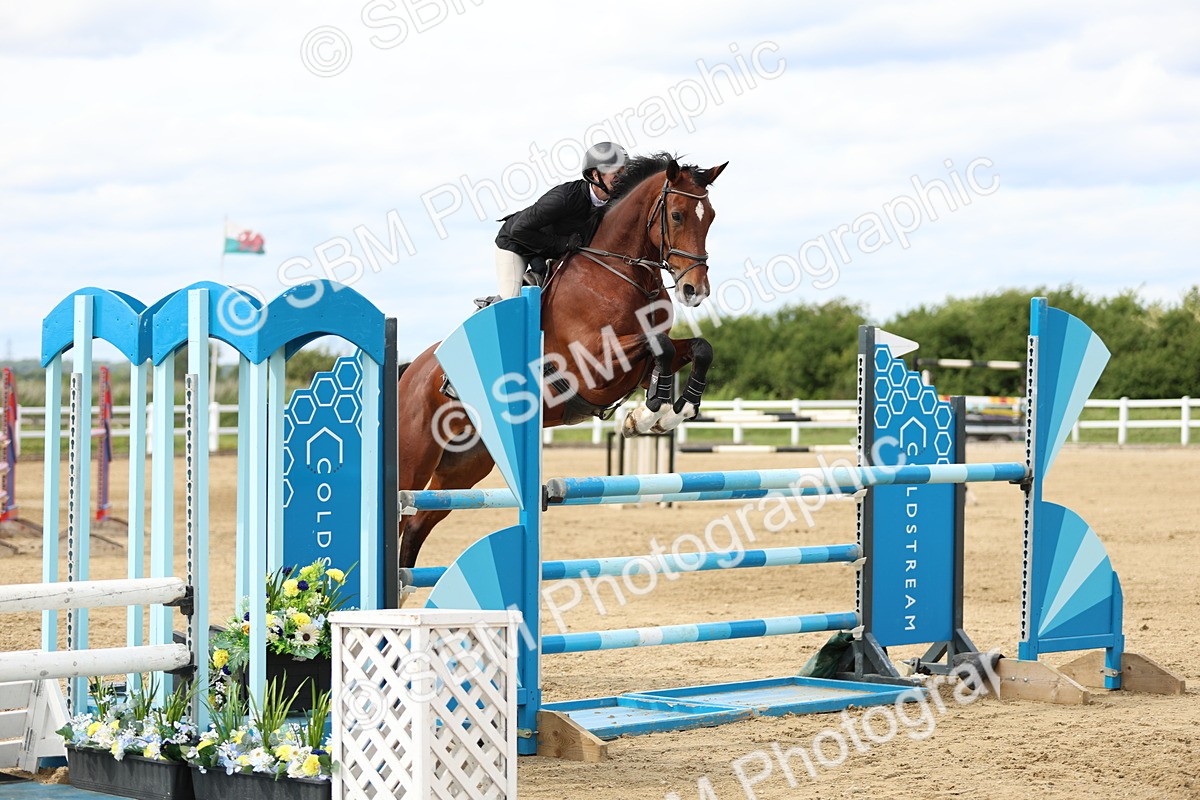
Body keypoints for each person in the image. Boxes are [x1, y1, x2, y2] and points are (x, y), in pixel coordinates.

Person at [493, 142, 628, 298]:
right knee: (512, 297)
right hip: (516, 242)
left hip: (551, 251)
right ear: (595, 175)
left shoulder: (615, 203)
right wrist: (563, 243)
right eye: (616, 173)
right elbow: (519, 229)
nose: (622, 178)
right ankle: (493, 309)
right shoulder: (564, 198)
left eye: (624, 171)